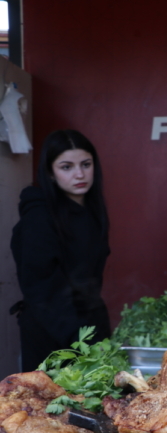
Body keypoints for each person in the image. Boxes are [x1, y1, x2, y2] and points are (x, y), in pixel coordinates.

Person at [10, 129, 112, 372]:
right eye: (66, 167)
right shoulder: (39, 216)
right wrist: (81, 341)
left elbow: (90, 282)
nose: (80, 174)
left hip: (87, 329)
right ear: (50, 173)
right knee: (48, 406)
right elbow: (42, 289)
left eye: (86, 164)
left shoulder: (92, 211)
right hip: (51, 332)